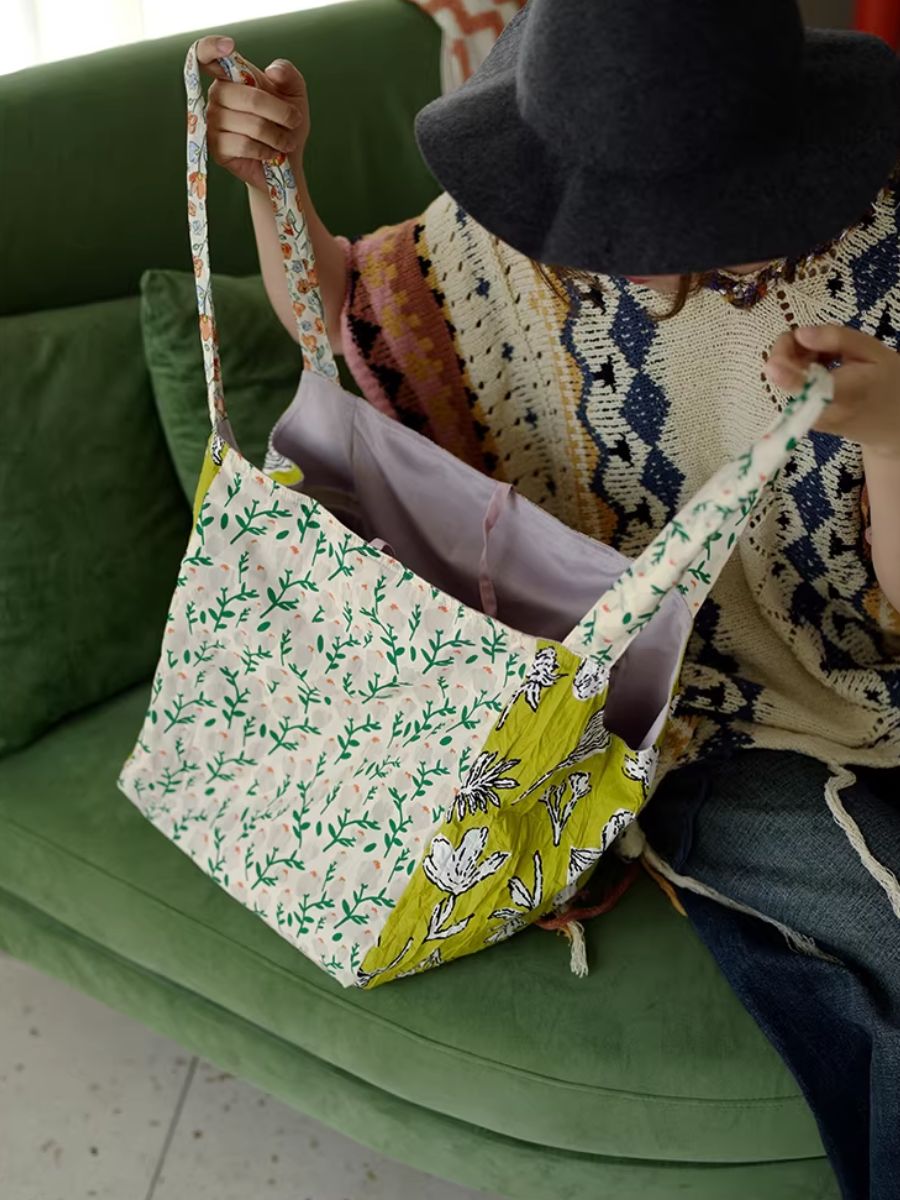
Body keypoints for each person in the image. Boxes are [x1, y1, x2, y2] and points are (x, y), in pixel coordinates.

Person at [196, 3, 900, 1194]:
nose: (628, 248)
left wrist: (890, 434)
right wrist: (277, 184)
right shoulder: (520, 239)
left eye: (666, 211)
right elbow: (346, 319)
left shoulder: (877, 263)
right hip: (685, 725)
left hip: (861, 679)